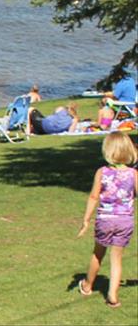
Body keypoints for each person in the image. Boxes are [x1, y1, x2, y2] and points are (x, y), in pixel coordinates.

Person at [76, 132, 138, 308]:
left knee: (98, 253)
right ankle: (112, 295)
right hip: (125, 221)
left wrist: (86, 220)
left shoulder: (102, 172)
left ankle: (87, 285)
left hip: (105, 220)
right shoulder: (133, 173)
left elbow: (94, 196)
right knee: (116, 258)